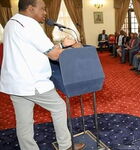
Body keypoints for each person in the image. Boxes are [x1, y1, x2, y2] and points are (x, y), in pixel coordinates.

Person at [0, 0, 85, 150]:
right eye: (42, 9)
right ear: (31, 8)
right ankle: (66, 146)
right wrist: (66, 45)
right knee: (59, 107)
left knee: (24, 122)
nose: (45, 13)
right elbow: (54, 55)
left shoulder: (11, 23)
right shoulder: (30, 25)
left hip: (14, 83)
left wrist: (60, 46)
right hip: (31, 82)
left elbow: (31, 49)